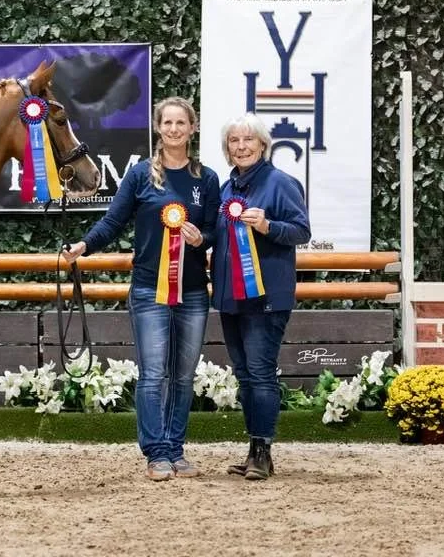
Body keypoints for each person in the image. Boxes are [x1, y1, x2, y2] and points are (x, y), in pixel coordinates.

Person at [63, 97, 220, 481]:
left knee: (183, 375)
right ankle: (156, 453)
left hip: (195, 293)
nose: (174, 129)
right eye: (167, 122)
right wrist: (85, 245)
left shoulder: (207, 179)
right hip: (149, 290)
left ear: (192, 128)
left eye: (181, 122)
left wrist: (203, 239)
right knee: (154, 374)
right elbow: (114, 221)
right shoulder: (139, 177)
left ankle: (176, 449)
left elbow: (217, 228)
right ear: (157, 128)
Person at [210, 113, 311, 480]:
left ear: (263, 145)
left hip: (267, 295)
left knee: (260, 372)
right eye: (234, 141)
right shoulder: (225, 189)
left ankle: (263, 452)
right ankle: (254, 449)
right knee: (245, 375)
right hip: (230, 297)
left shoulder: (281, 184)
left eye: (248, 140)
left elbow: (301, 231)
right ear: (227, 149)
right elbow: (217, 236)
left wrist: (268, 226)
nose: (241, 146)